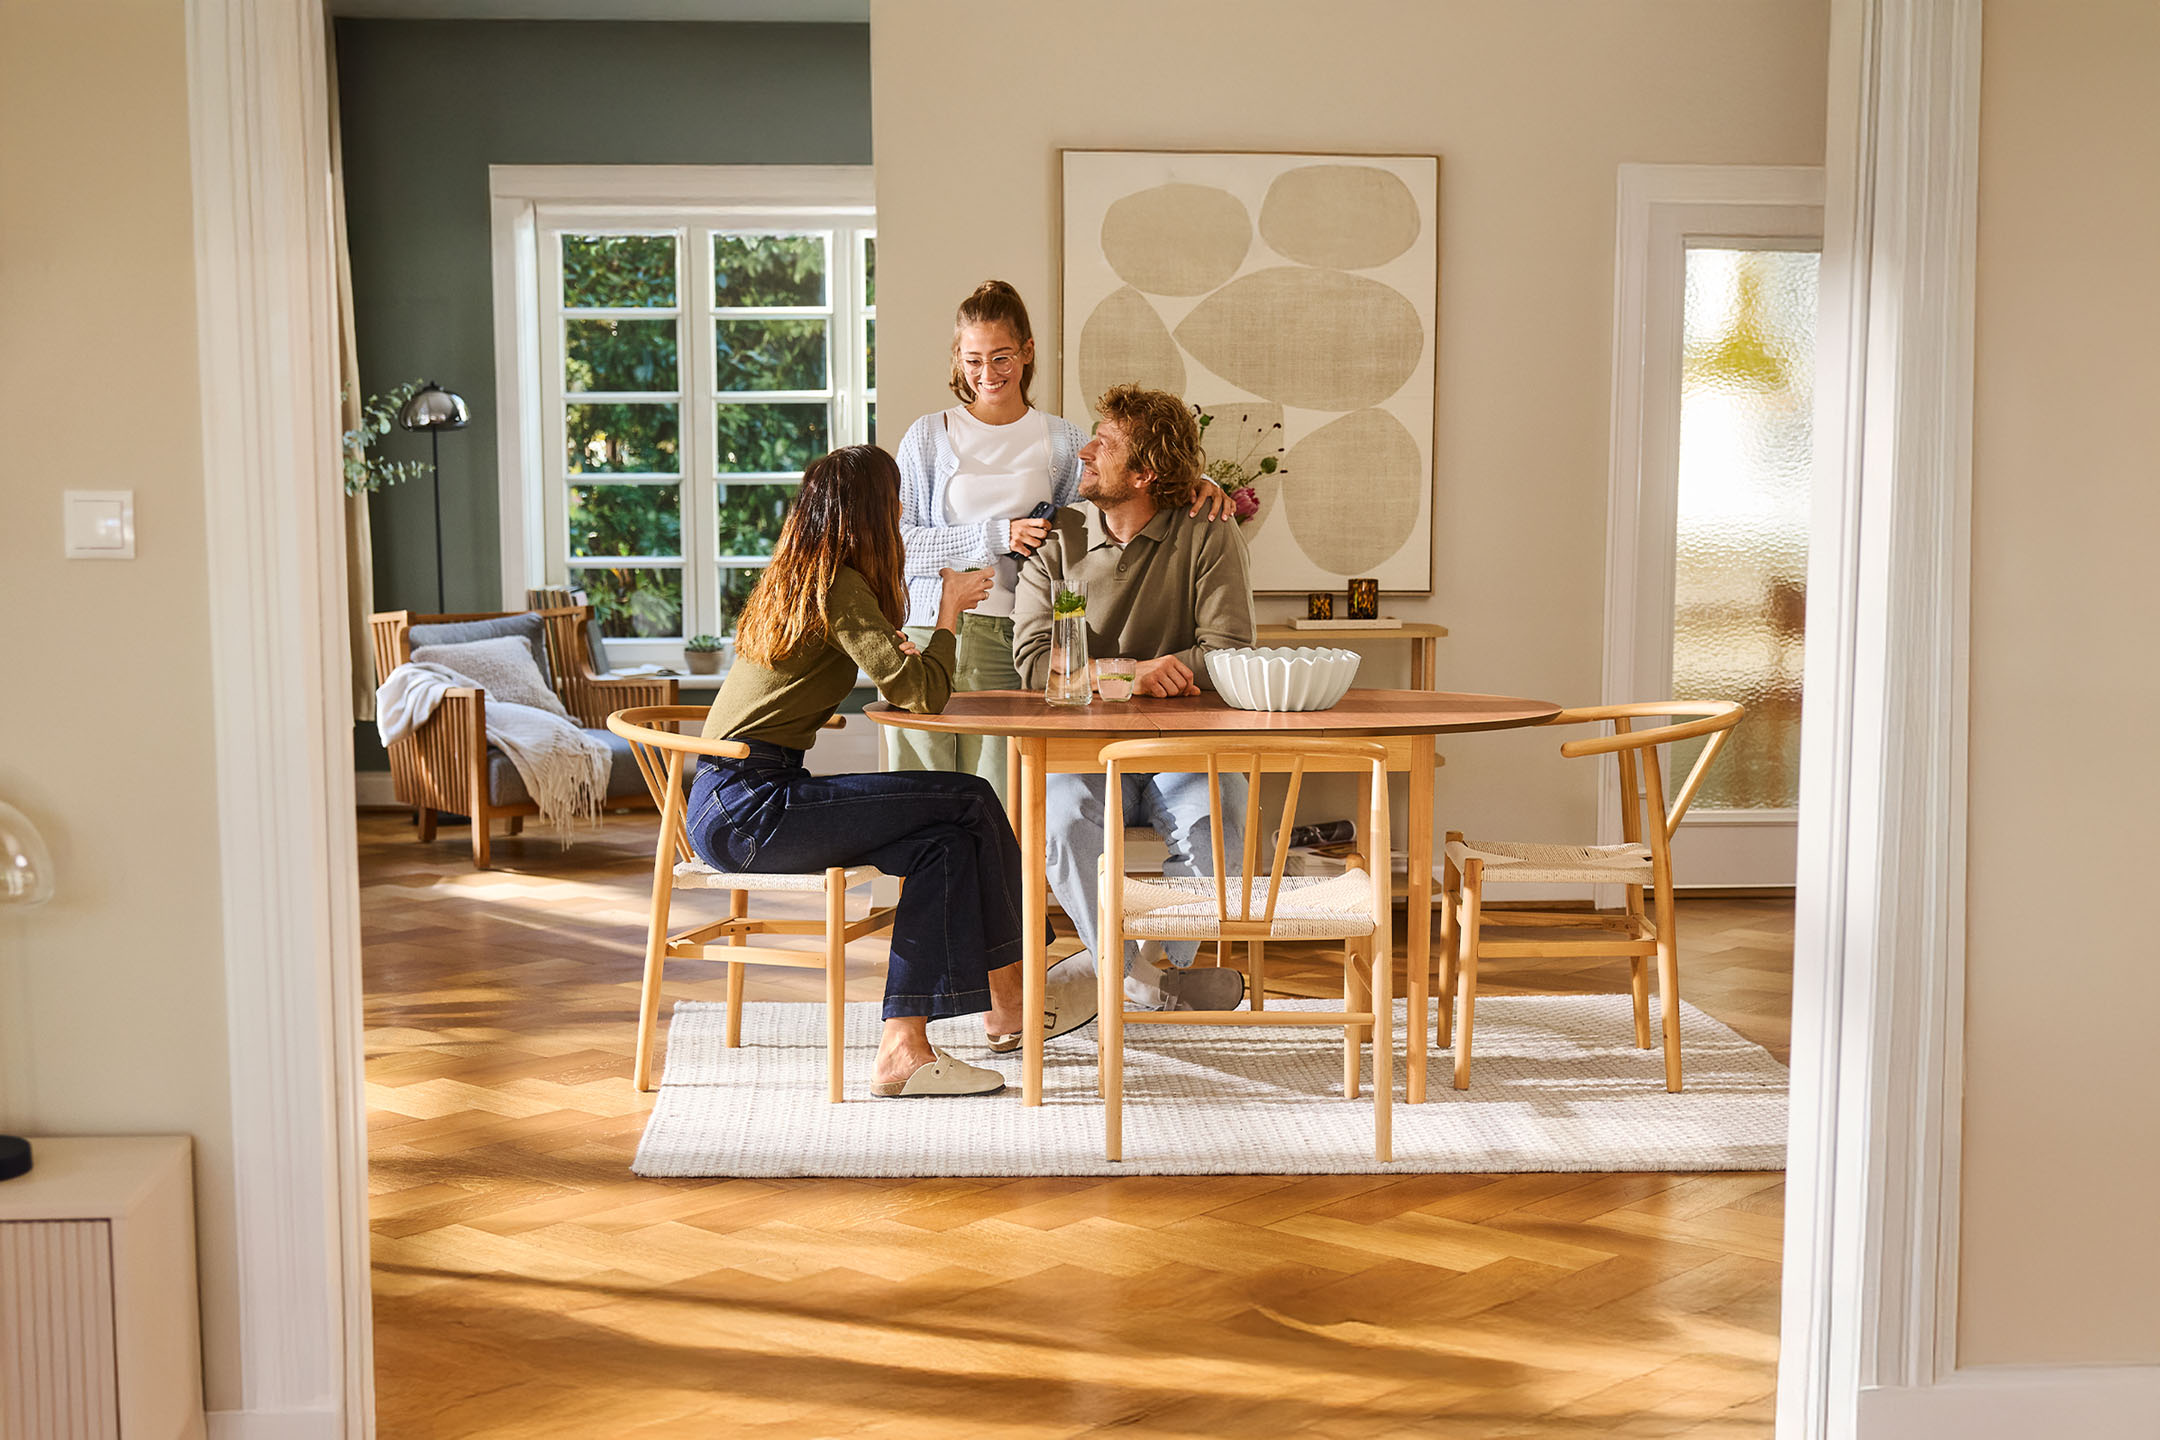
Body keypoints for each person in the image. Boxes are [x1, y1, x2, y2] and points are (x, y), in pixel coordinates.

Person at [689, 445, 1023, 1097]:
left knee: (947, 842)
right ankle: (1010, 993)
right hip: (753, 807)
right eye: (894, 502)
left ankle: (905, 1045)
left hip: (734, 801)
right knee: (972, 796)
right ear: (871, 511)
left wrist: (908, 649)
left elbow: (904, 682)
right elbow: (921, 694)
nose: (899, 514)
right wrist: (949, 609)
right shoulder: (839, 584)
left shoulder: (804, 578)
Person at [890, 280, 1232, 799]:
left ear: (1027, 353)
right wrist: (996, 535)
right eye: (973, 360)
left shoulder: (1062, 439)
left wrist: (1193, 485)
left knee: (1000, 798)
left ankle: (999, 884)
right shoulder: (928, 435)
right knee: (916, 795)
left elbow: (1119, 499)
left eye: (1001, 357)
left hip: (1009, 634)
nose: (988, 375)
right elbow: (899, 544)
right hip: (925, 629)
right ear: (957, 358)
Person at [1011, 384, 1258, 1031]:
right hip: (1080, 753)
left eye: (1107, 444)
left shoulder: (1208, 532)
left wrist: (1099, 675)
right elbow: (1033, 662)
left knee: (1222, 823)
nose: (1085, 451)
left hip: (1184, 752)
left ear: (1145, 473)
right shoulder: (1056, 537)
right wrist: (1136, 674)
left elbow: (1229, 653)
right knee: (1058, 822)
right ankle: (1139, 980)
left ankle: (1128, 971)